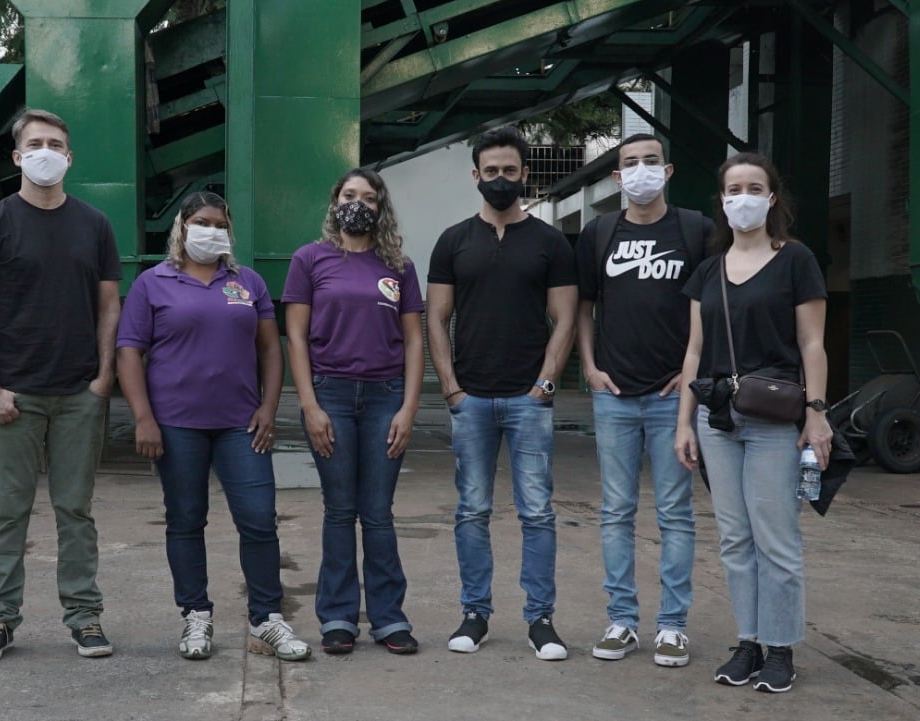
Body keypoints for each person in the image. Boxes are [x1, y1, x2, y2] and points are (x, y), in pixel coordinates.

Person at [115, 191, 310, 662]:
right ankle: (195, 615)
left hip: (241, 425)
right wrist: (143, 417)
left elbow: (269, 349)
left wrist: (269, 407)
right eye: (201, 221)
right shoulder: (152, 283)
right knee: (185, 520)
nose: (210, 230)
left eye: (219, 224)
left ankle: (267, 619)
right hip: (176, 424)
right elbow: (128, 351)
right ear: (181, 227)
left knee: (259, 519)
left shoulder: (248, 283)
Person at [0, 109, 121, 662]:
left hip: (78, 395)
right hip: (13, 397)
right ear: (17, 156)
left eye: (55, 143)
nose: (45, 151)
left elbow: (108, 306)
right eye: (35, 143)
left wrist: (102, 379)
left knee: (76, 511)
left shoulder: (94, 225)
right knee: (8, 513)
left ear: (69, 157)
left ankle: (84, 617)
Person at [674, 152, 831, 693]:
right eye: (733, 188)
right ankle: (749, 641)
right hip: (719, 420)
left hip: (775, 420)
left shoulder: (796, 261)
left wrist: (817, 415)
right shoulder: (707, 271)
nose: (743, 196)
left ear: (772, 197)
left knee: (776, 539)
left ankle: (781, 648)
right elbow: (693, 353)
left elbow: (813, 342)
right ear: (721, 200)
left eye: (754, 187)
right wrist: (684, 424)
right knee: (735, 539)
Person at [426, 126, 578, 660]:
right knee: (472, 511)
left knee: (537, 513)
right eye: (490, 171)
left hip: (528, 400)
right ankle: (475, 614)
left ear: (524, 174)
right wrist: (450, 388)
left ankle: (541, 620)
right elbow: (436, 316)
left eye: (509, 170)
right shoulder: (453, 241)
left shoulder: (550, 242)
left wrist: (545, 382)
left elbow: (565, 318)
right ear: (476, 175)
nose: (500, 179)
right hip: (471, 401)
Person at [576, 134, 712, 667]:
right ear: (616, 178)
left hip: (671, 397)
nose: (640, 170)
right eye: (629, 163)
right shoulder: (598, 233)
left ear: (668, 170)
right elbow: (585, 305)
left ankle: (673, 626)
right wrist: (588, 367)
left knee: (676, 512)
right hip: (613, 395)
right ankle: (622, 621)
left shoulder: (696, 229)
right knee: (616, 510)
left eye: (649, 161)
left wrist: (691, 374)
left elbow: (712, 308)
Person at [284, 168, 424, 656]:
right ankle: (338, 616)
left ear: (380, 207)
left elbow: (413, 339)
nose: (358, 204)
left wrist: (409, 407)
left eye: (368, 197)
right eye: (349, 195)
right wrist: (309, 405)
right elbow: (296, 336)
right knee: (339, 511)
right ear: (334, 201)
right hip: (331, 395)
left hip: (386, 395)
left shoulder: (398, 266)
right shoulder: (310, 259)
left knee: (379, 513)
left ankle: (389, 618)